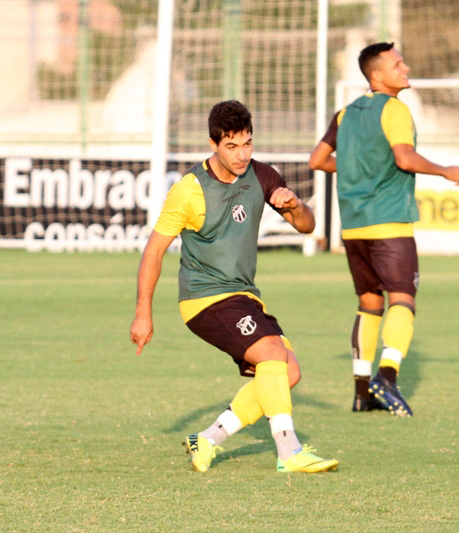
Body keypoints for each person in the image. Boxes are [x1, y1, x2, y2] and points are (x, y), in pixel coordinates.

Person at [131, 100, 338, 473]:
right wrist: (143, 313)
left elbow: (307, 226)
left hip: (243, 296)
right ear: (213, 144)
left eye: (247, 144)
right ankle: (289, 451)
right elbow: (153, 252)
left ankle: (208, 439)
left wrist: (294, 205)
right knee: (272, 353)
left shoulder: (261, 175)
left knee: (288, 372)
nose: (242, 154)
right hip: (204, 299)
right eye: (231, 146)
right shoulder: (189, 190)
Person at [309, 42, 459, 417]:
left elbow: (317, 160)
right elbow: (404, 158)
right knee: (403, 299)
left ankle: (362, 393)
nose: (405, 68)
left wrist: (357, 167)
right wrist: (444, 171)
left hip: (354, 228)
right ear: (377, 75)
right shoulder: (395, 110)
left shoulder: (345, 114)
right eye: (398, 64)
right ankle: (388, 377)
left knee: (369, 304)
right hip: (389, 222)